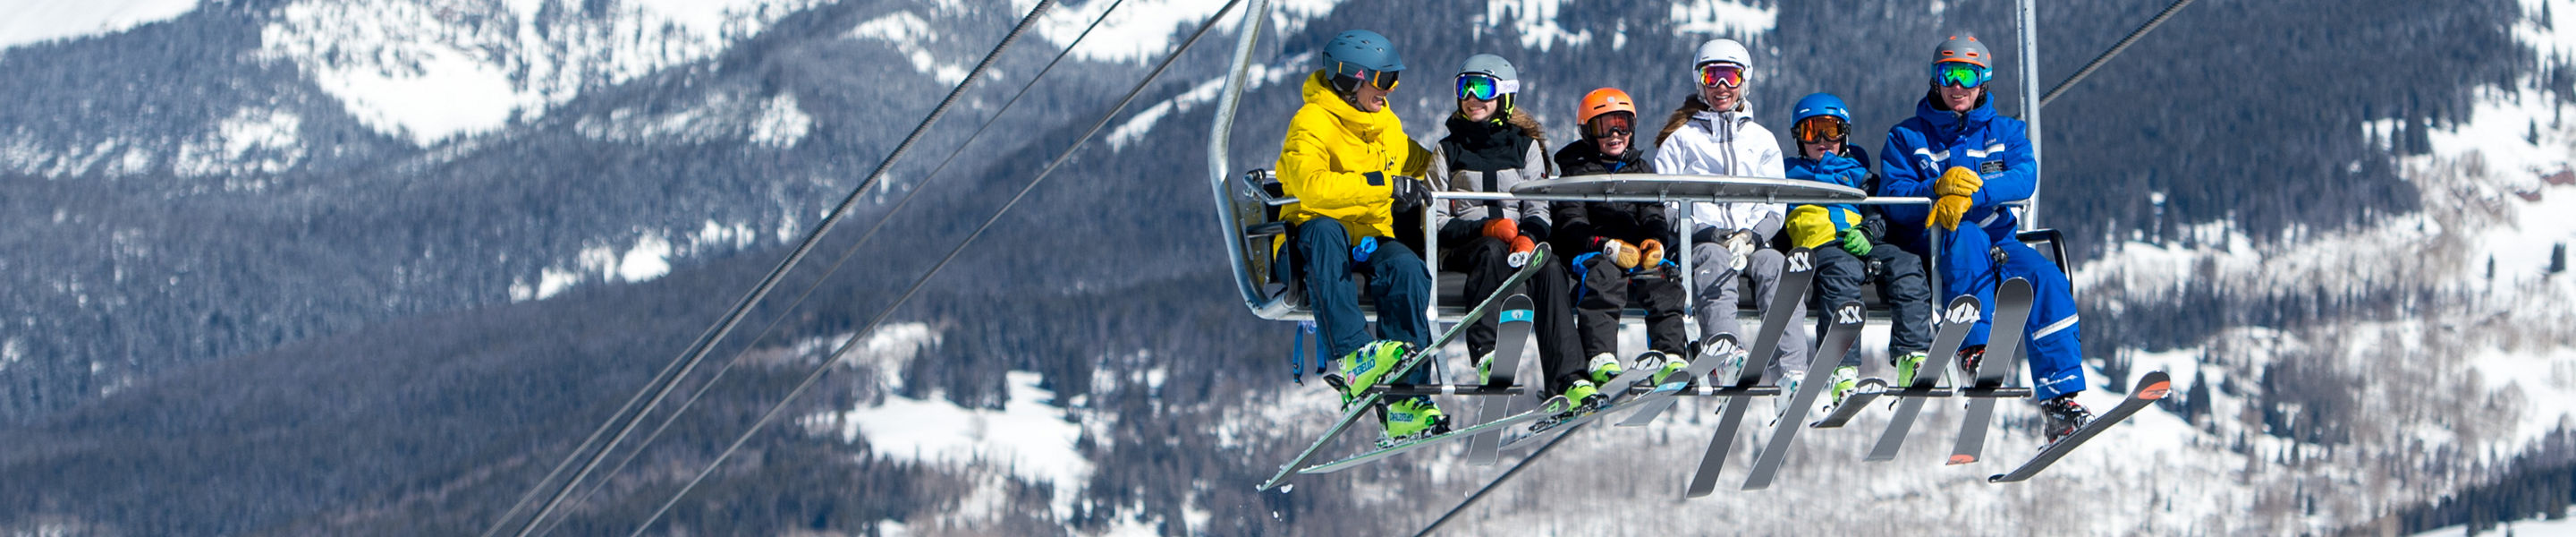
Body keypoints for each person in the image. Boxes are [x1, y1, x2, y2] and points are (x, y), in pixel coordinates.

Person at [1876, 35, 2091, 441]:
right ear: (1934, 80)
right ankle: (1974, 349)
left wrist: (1975, 192)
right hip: (1940, 246)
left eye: (1967, 75)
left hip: (2002, 241)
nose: (1957, 86)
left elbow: (2024, 176)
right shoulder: (1908, 137)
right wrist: (1936, 188)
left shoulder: (2005, 131)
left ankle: (2060, 401)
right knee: (1968, 236)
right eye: (1948, 75)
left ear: (1983, 81)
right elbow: (1894, 196)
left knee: (2046, 278)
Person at [1275, 30, 1445, 440]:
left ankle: (1406, 399)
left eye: (1394, 80)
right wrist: (1384, 186)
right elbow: (1312, 187)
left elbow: (1428, 165)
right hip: (1308, 244)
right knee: (1325, 230)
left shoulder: (1386, 125)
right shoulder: (1311, 122)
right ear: (1352, 78)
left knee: (1407, 268)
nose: (1391, 90)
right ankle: (1355, 358)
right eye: (1384, 80)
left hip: (1367, 239)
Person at [1648, 38, 1811, 414]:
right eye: (1712, 76)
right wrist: (1705, 232)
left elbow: (1777, 201)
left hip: (1751, 241)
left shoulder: (1761, 140)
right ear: (1700, 82)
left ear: (1744, 81)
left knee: (1776, 266)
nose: (1721, 87)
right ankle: (1725, 352)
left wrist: (1755, 236)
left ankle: (1791, 369)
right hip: (1701, 241)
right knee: (1712, 262)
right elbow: (1667, 202)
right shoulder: (1681, 141)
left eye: (1730, 76)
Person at [1425, 54, 1589, 407]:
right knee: (1491, 250)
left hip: (1520, 244)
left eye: (1482, 87)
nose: (1471, 97)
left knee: (1549, 267)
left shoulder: (1525, 147)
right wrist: (1486, 227)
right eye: (1463, 87)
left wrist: (1528, 235)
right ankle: (1488, 353)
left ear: (1505, 96)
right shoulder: (1448, 150)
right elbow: (1434, 218)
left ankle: (1569, 378)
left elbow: (1539, 205)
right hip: (1467, 248)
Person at [1778, 92, 1934, 410]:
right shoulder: (1787, 175)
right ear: (1798, 137)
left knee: (1905, 264)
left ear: (1844, 135)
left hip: (1863, 243)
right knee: (1841, 272)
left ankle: (1912, 356)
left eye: (1831, 130)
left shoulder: (1857, 173)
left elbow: (1881, 211)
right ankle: (1841, 367)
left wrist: (1868, 230)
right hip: (1821, 247)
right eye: (1812, 131)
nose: (1822, 140)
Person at [1550, 87, 1690, 395]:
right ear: (1588, 132)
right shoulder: (1575, 173)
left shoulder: (1640, 170)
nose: (1615, 134)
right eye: (1605, 127)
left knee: (1665, 279)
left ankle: (1671, 354)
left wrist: (1654, 241)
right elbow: (1570, 223)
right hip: (1592, 251)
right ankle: (1600, 357)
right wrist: (1605, 245)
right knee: (1603, 277)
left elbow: (1653, 212)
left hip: (1636, 255)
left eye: (1622, 125)